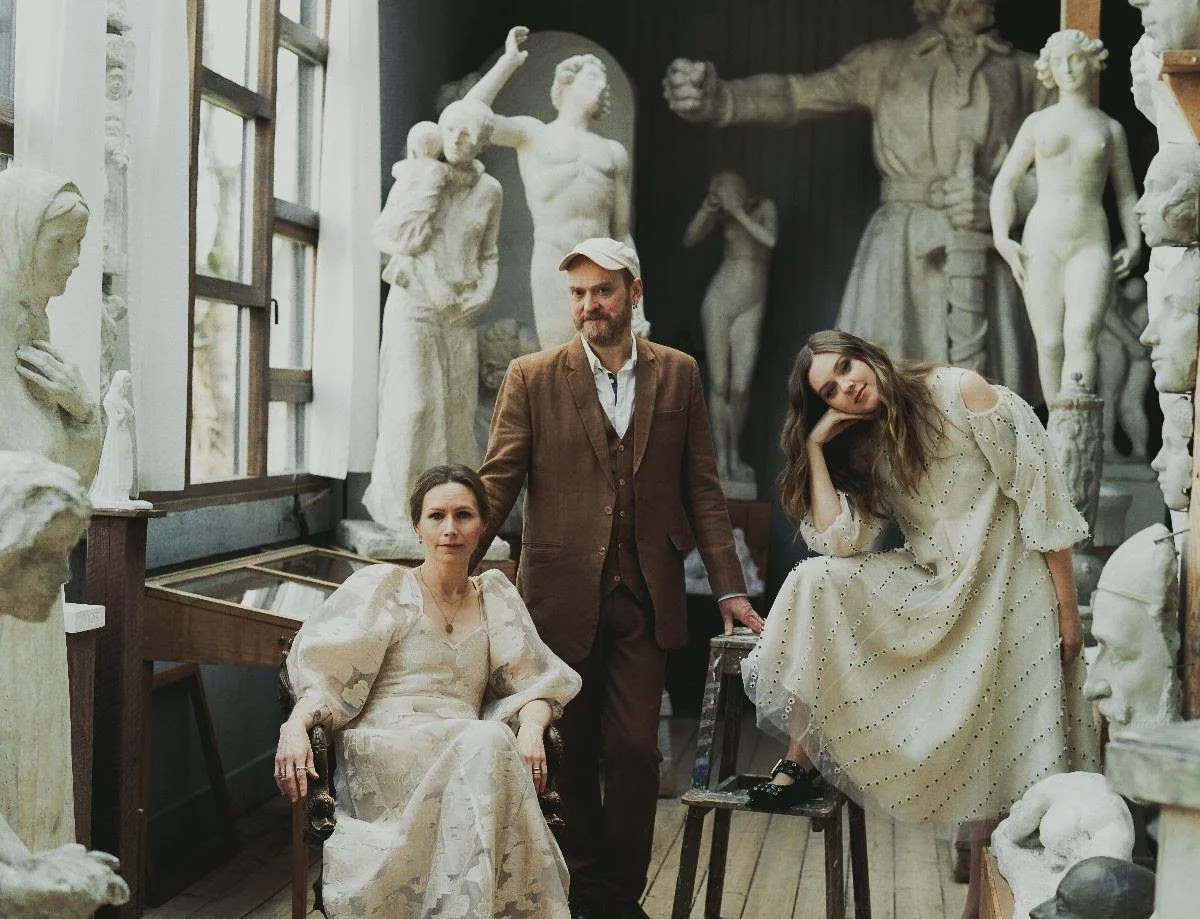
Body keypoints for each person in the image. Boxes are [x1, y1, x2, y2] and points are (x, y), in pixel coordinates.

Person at [742, 331, 1098, 919]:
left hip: (1012, 588)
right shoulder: (865, 444)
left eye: (847, 367)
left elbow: (1040, 496)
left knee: (1008, 754)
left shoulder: (961, 392)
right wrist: (815, 446)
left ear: (868, 354)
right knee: (816, 579)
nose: (848, 386)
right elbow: (840, 543)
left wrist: (1066, 608)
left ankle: (981, 907)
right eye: (830, 391)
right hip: (938, 589)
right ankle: (800, 760)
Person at [475, 237, 761, 919]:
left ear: (634, 292)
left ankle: (619, 895)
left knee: (635, 749)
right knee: (567, 750)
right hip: (556, 595)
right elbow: (497, 481)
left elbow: (703, 487)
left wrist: (729, 586)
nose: (588, 305)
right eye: (577, 293)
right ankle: (585, 890)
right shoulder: (531, 376)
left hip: (646, 591)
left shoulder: (679, 373)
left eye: (602, 290)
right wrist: (445, 569)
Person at [664, 0, 1046, 402]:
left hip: (983, 246)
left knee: (990, 404)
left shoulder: (1030, 72)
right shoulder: (886, 62)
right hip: (899, 253)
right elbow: (796, 95)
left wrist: (1006, 200)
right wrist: (721, 99)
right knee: (886, 391)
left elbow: (1067, 170)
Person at [275, 464, 581, 918]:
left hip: (467, 749)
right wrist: (296, 725)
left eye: (464, 515)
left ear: (482, 526)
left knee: (487, 743)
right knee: (488, 741)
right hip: (388, 748)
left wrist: (534, 728)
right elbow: (328, 676)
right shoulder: (387, 588)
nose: (450, 529)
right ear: (417, 527)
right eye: (436, 516)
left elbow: (535, 682)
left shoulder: (494, 597)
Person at [0, 167, 103, 851]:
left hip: (33, 599)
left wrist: (82, 409)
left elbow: (71, 485)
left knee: (33, 757)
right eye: (61, 243)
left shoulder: (32, 340)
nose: (73, 262)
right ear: (17, 238)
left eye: (78, 245)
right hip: (4, 595)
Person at [362, 100, 503, 533]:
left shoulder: (490, 191)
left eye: (469, 133)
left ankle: (451, 514)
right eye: (452, 128)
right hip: (416, 305)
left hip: (461, 312)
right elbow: (392, 237)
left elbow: (489, 253)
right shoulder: (420, 175)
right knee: (414, 407)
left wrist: (482, 295)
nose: (458, 138)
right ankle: (402, 510)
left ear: (483, 143)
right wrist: (435, 285)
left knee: (457, 413)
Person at [464, 27, 648, 350]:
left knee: (605, 366)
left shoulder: (612, 152)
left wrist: (638, 305)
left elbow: (622, 234)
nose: (601, 86)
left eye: (604, 82)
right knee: (560, 359)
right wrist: (508, 62)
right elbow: (469, 117)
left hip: (604, 266)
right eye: (592, 78)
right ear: (567, 81)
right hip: (554, 259)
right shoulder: (534, 135)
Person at [990, 30, 1141, 402]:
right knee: (1050, 340)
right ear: (1049, 69)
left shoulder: (1109, 128)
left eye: (1075, 59)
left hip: (1090, 240)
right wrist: (1001, 236)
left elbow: (1125, 193)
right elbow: (1005, 183)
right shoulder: (1038, 123)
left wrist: (1135, 241)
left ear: (1091, 64)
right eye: (1058, 62)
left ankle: (1080, 425)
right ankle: (1058, 430)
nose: (1068, 69)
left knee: (1083, 332)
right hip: (1042, 239)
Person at [682, 171, 778, 484]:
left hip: (752, 304)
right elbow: (689, 238)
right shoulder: (722, 215)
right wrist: (707, 210)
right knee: (719, 384)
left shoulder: (763, 208)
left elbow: (770, 240)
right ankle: (721, 459)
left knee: (740, 387)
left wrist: (737, 212)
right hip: (720, 301)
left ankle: (734, 453)